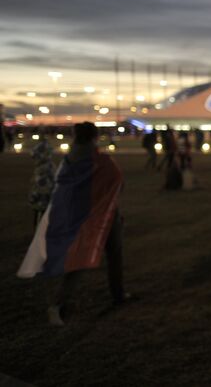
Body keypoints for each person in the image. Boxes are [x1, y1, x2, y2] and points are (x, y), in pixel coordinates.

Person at [17, 122, 129, 326]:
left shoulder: (69, 161)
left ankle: (59, 303)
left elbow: (62, 191)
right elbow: (118, 182)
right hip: (104, 215)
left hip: (79, 217)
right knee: (113, 254)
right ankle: (117, 294)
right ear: (95, 136)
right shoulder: (100, 160)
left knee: (79, 261)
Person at [28, 132, 56, 228]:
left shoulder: (41, 168)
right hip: (48, 195)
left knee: (38, 211)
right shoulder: (51, 166)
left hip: (41, 195)